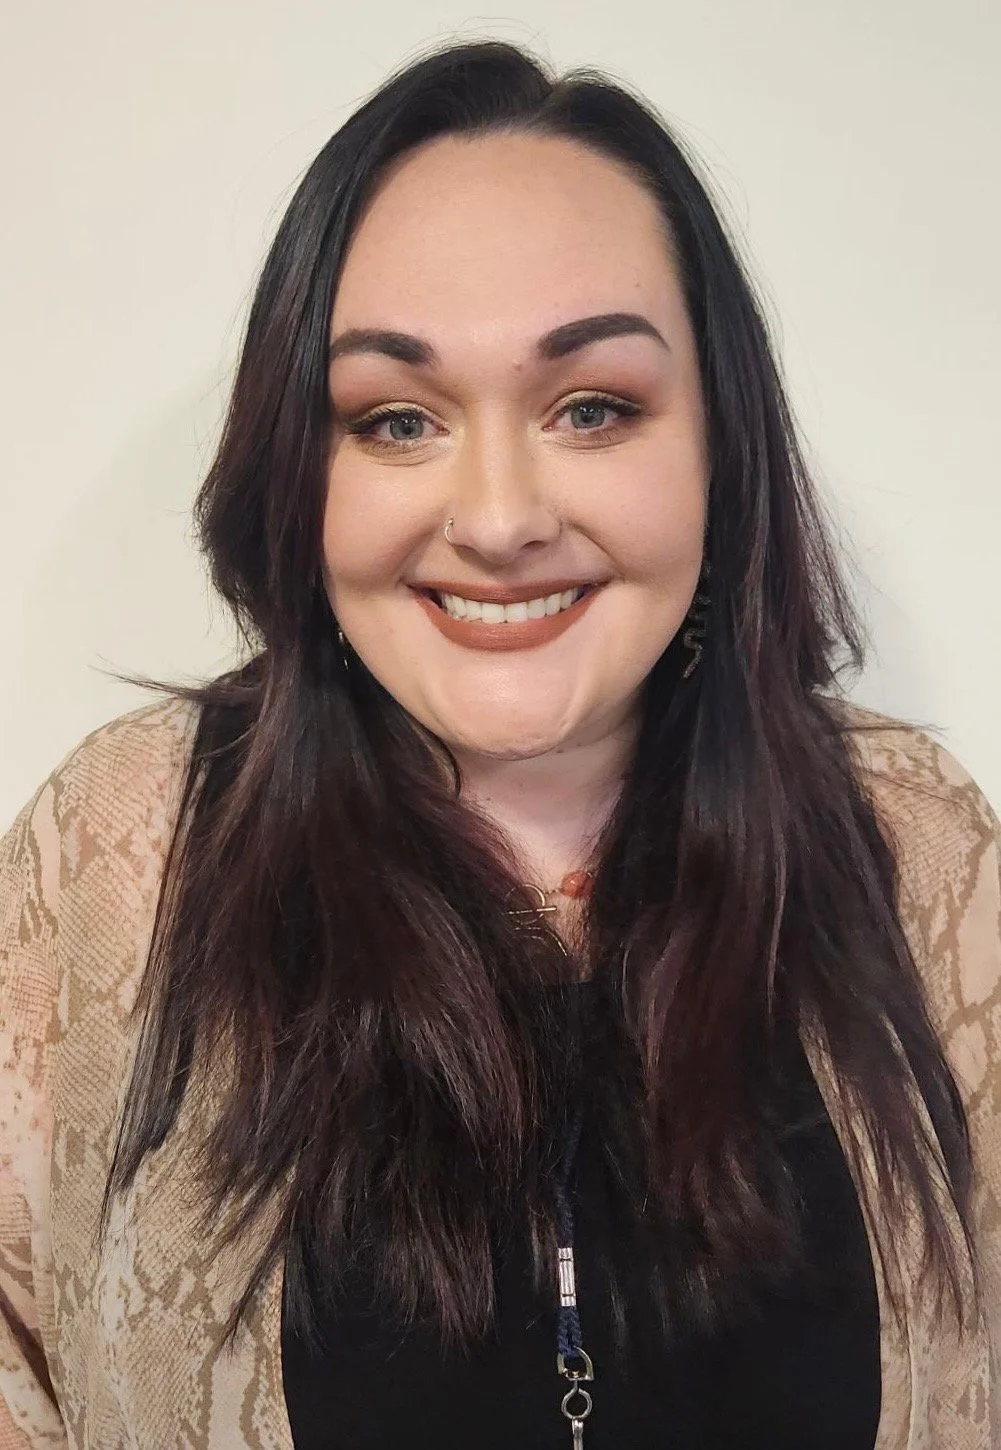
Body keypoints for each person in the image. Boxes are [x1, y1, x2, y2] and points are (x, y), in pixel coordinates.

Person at [1, 37, 998, 1450]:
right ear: (303, 470)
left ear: (719, 441)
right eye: (396, 419)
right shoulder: (120, 849)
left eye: (591, 407)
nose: (498, 515)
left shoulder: (926, 855)